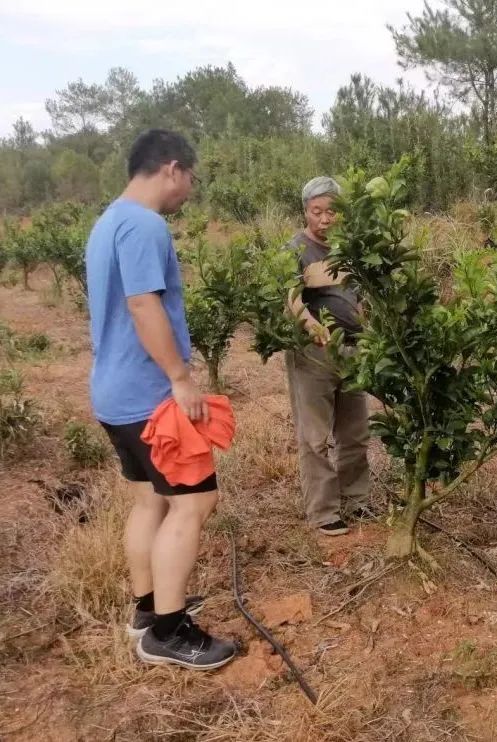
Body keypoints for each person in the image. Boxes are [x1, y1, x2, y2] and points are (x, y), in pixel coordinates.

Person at [86, 129, 235, 670]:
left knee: (149, 500)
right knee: (193, 503)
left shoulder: (108, 221)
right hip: (152, 398)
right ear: (172, 168)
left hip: (112, 392)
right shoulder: (146, 224)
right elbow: (144, 304)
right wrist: (179, 377)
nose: (189, 190)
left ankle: (147, 611)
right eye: (191, 178)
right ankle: (169, 633)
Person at [284, 176, 370, 537]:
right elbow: (291, 295)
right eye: (316, 211)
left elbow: (361, 290)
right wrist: (311, 326)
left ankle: (356, 499)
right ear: (306, 212)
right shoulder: (296, 248)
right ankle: (323, 511)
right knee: (316, 436)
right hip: (314, 353)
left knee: (354, 431)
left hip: (353, 348)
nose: (324, 218)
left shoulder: (349, 247)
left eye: (331, 211)